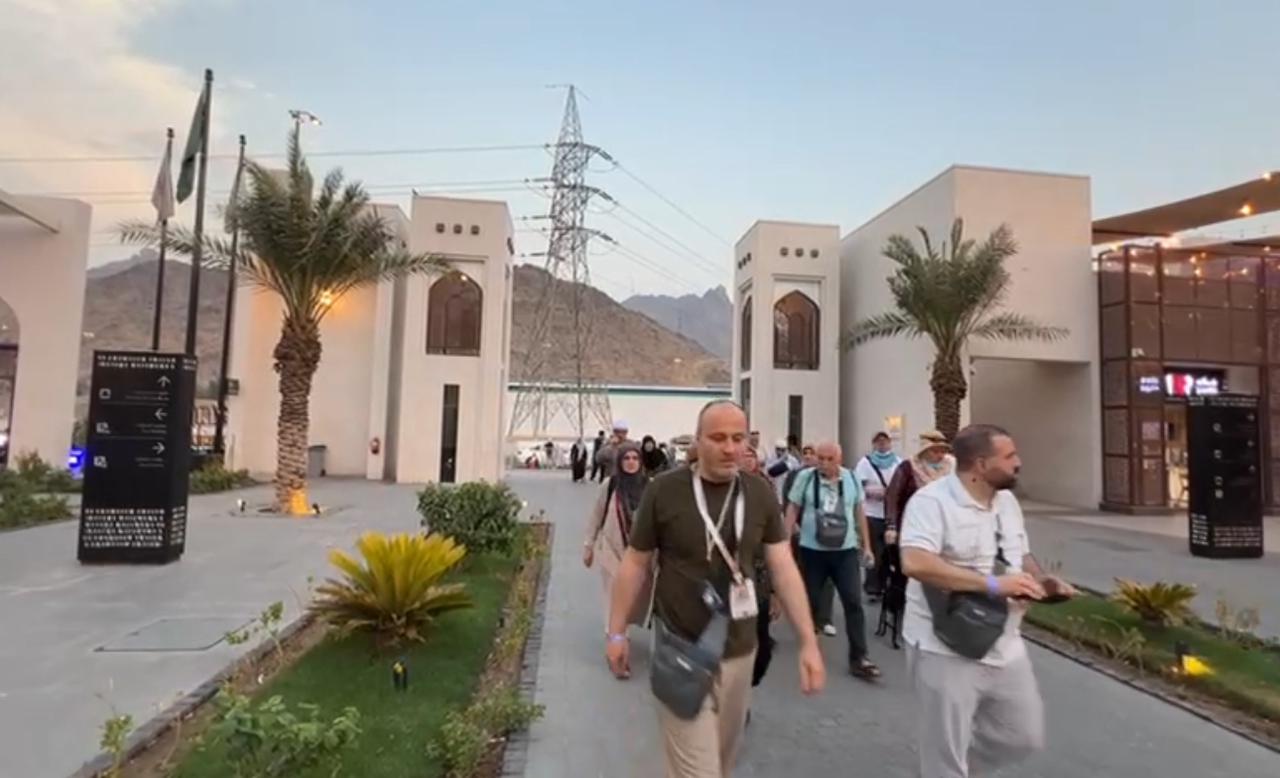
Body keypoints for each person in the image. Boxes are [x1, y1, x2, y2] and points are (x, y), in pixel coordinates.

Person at [608, 401, 825, 778]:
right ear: (697, 441)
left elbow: (783, 567)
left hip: (740, 653)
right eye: (718, 438)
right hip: (680, 651)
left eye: (738, 439)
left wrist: (808, 641)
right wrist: (616, 632)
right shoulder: (665, 490)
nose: (729, 448)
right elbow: (635, 563)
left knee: (720, 765)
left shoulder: (758, 493)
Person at [900, 424, 1076, 778]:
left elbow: (1019, 553)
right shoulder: (931, 502)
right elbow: (915, 562)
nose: (1018, 462)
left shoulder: (1007, 503)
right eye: (1009, 456)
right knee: (944, 753)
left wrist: (1040, 581)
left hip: (1005, 643)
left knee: (1022, 737)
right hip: (944, 646)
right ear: (980, 464)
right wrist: (993, 585)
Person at [785, 441, 880, 680]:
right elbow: (792, 509)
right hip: (812, 550)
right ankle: (811, 647)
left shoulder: (851, 478)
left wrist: (867, 546)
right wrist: (784, 544)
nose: (824, 463)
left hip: (845, 551)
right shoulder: (806, 478)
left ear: (839, 459)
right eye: (821, 458)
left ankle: (860, 657)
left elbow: (859, 511)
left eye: (829, 459)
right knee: (811, 601)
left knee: (853, 602)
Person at [584, 442, 653, 635]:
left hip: (638, 551)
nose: (631, 462)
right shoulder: (610, 485)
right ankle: (614, 630)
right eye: (626, 458)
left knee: (634, 593)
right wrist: (588, 545)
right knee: (613, 589)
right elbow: (596, 515)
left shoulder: (650, 486)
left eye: (635, 458)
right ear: (619, 462)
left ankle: (624, 623)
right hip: (611, 548)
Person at [781, 444, 836, 636]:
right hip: (802, 533)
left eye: (812, 453)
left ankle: (825, 618)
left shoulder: (830, 476)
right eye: (805, 453)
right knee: (805, 575)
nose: (808, 456)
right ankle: (806, 615)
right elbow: (788, 502)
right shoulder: (795, 476)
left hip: (828, 534)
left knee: (827, 578)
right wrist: (792, 526)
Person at [854, 432, 903, 601]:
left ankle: (888, 585)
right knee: (875, 550)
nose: (882, 444)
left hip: (891, 515)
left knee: (891, 552)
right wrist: (873, 492)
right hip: (872, 513)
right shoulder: (865, 463)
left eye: (885, 441)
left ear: (890, 443)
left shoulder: (898, 462)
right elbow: (858, 485)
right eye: (878, 441)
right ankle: (873, 588)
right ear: (874, 444)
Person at [884, 430, 955, 546]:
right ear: (924, 452)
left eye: (943, 451)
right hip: (914, 525)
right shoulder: (908, 467)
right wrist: (891, 526)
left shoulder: (951, 467)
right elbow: (892, 496)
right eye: (935, 451)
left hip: (943, 526)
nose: (940, 455)